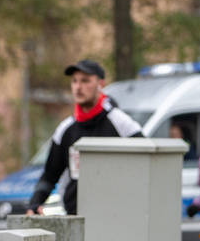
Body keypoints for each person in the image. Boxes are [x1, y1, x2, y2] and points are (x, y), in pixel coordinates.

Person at [26, 59, 142, 216]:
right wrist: (35, 203)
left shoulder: (120, 122)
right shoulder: (65, 129)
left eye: (85, 81)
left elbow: (145, 165)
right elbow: (49, 175)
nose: (78, 87)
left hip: (116, 215)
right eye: (74, 81)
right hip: (75, 215)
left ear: (101, 84)